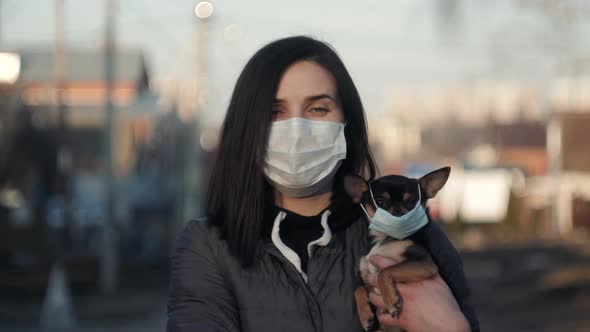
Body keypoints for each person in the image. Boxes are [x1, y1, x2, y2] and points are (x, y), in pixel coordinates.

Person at [167, 36, 479, 332]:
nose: (297, 130)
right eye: (275, 112)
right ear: (247, 128)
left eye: (318, 109)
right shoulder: (209, 247)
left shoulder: (413, 231)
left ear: (347, 123)